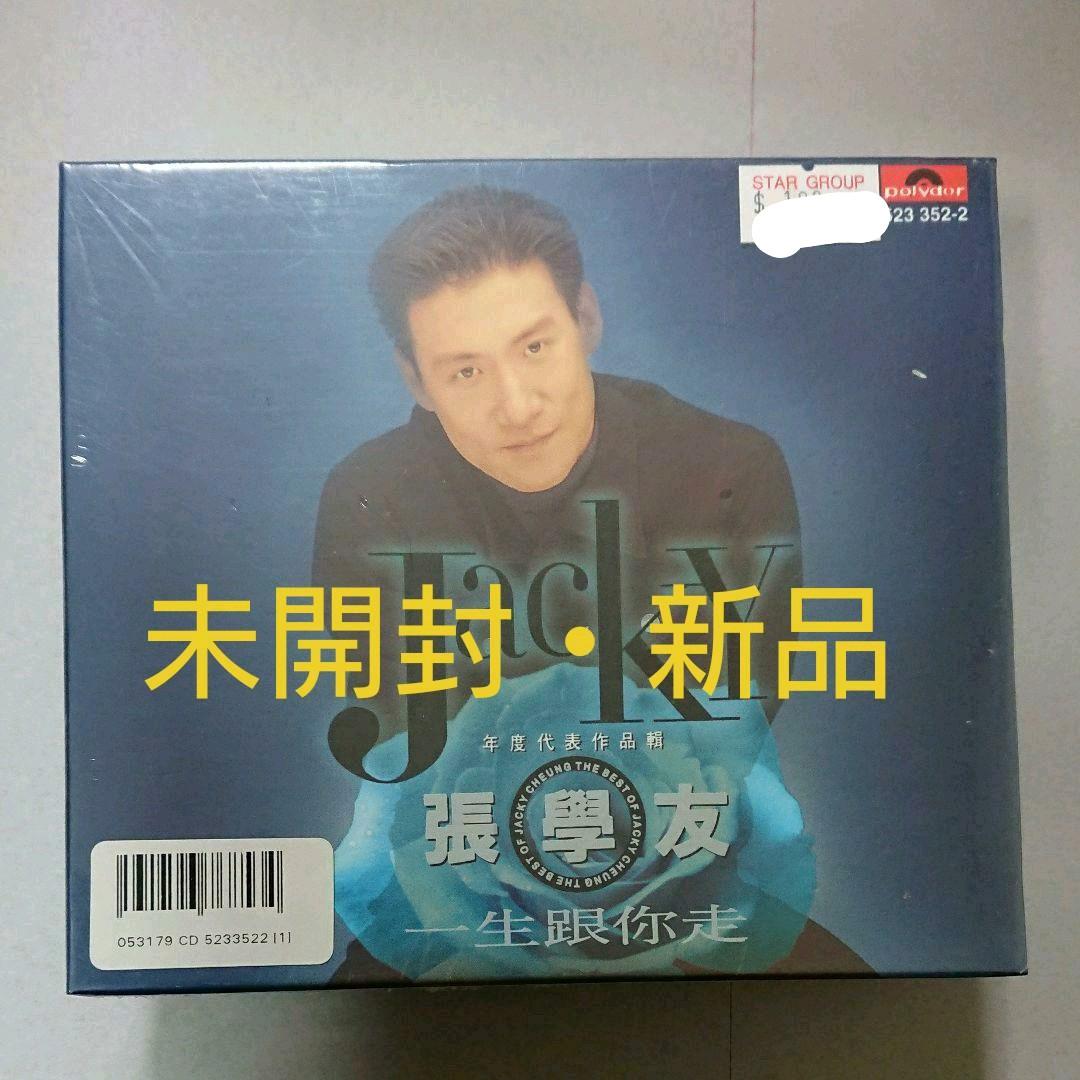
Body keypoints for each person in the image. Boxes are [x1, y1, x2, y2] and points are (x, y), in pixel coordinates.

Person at [313, 185, 869, 977]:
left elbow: (727, 726)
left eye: (536, 347)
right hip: (464, 879)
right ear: (415, 380)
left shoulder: (729, 468)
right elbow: (405, 748)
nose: (516, 405)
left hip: (681, 863)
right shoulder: (371, 496)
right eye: (465, 371)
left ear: (587, 320)